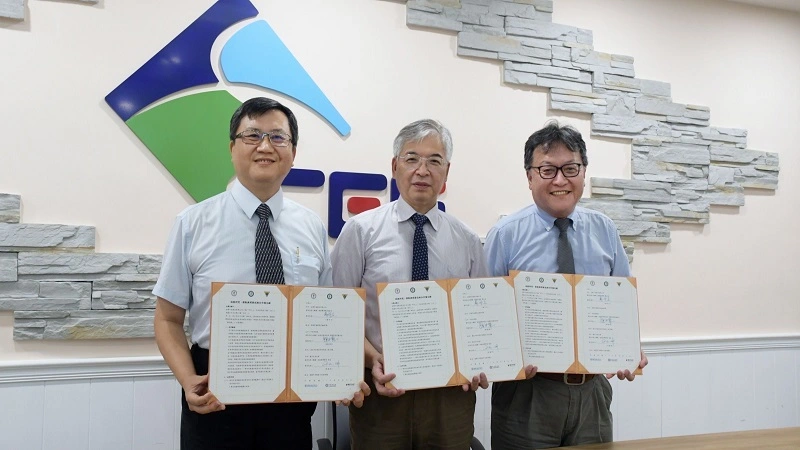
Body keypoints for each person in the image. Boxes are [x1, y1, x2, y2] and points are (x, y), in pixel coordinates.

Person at [153, 97, 368, 450]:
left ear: (293, 152)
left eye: (278, 137)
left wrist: (341, 376)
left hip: (292, 396)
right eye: (252, 135)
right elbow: (167, 319)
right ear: (232, 147)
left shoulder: (311, 227)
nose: (265, 146)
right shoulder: (193, 223)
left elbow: (327, 315)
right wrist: (189, 381)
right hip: (216, 394)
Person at [484, 121, 648, 449]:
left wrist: (629, 349)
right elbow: (485, 318)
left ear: (584, 173)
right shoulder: (505, 235)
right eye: (547, 170)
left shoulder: (604, 231)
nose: (560, 180)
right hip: (526, 395)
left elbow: (620, 309)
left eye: (570, 168)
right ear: (529, 176)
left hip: (593, 393)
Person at [331, 119, 489, 449]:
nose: (422, 170)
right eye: (412, 158)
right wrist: (374, 360)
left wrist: (482, 360)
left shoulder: (467, 240)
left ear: (446, 172)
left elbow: (480, 320)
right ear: (394, 166)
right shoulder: (361, 232)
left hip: (449, 398)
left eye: (434, 161)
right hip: (381, 390)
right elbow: (339, 317)